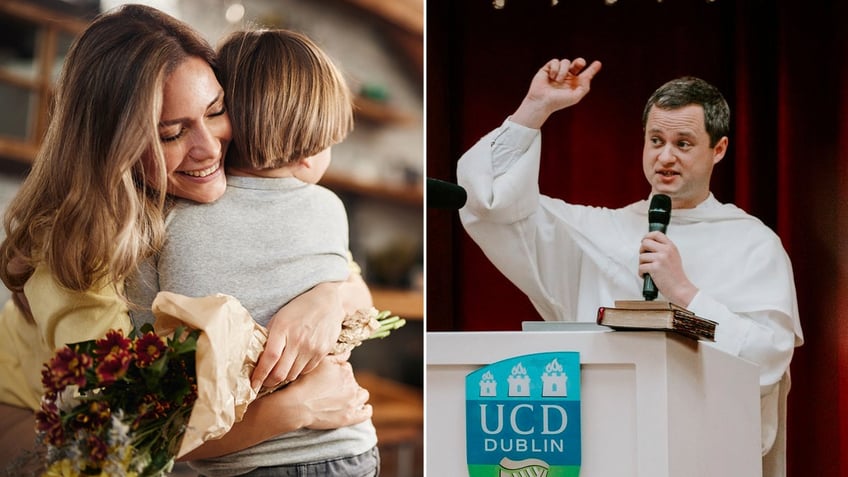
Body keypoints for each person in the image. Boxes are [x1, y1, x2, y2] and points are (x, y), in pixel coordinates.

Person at [0, 4, 372, 468]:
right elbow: (118, 441)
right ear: (116, 150)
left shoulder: (199, 190)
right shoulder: (79, 254)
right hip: (29, 415)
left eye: (217, 110)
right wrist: (292, 410)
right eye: (172, 134)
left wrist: (324, 299)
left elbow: (354, 289)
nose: (209, 147)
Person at [456, 57, 804, 476]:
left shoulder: (753, 244)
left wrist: (684, 293)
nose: (666, 157)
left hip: (705, 456)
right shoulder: (600, 231)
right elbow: (491, 205)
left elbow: (768, 359)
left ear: (719, 149)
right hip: (607, 452)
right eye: (656, 140)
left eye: (683, 143)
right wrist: (535, 108)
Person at [126, 29, 379, 475]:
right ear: (308, 152)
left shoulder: (158, 222)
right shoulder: (328, 209)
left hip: (236, 461)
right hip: (345, 446)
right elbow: (361, 306)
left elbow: (150, 374)